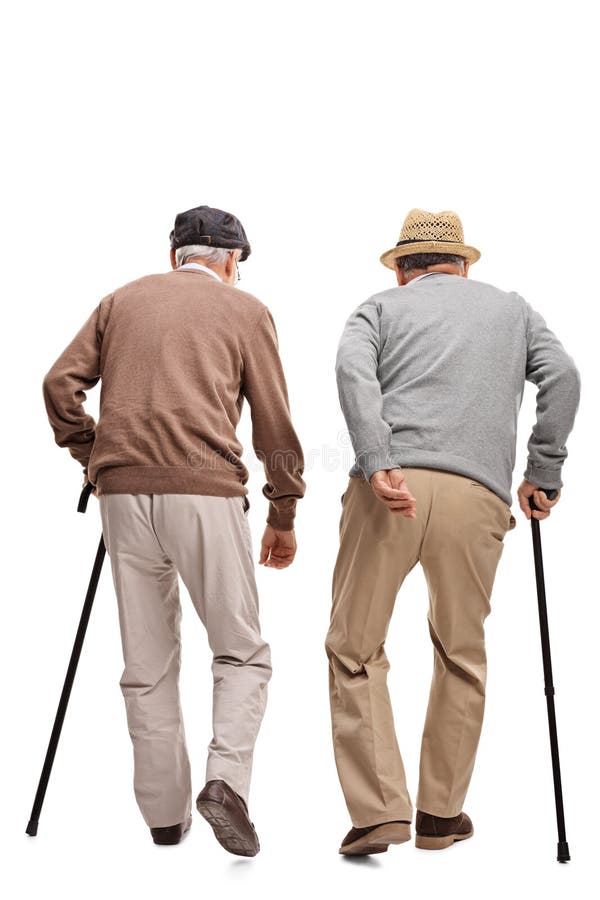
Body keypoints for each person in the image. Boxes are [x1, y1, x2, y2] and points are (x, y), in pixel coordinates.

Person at [43, 205, 305, 853]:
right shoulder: (247, 312)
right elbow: (273, 424)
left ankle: (165, 819)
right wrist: (284, 509)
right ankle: (224, 785)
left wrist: (94, 457)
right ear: (231, 261)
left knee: (147, 664)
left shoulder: (119, 301)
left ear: (174, 257)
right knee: (241, 651)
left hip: (123, 497)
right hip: (206, 493)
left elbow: (59, 386)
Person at [326, 207, 581, 856]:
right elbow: (565, 377)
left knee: (355, 648)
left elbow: (353, 374)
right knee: (460, 650)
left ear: (404, 269)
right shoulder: (513, 311)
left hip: (390, 491)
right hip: (479, 496)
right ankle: (440, 815)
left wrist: (379, 456)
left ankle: (381, 810)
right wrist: (542, 473)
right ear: (462, 265)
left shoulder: (378, 310)